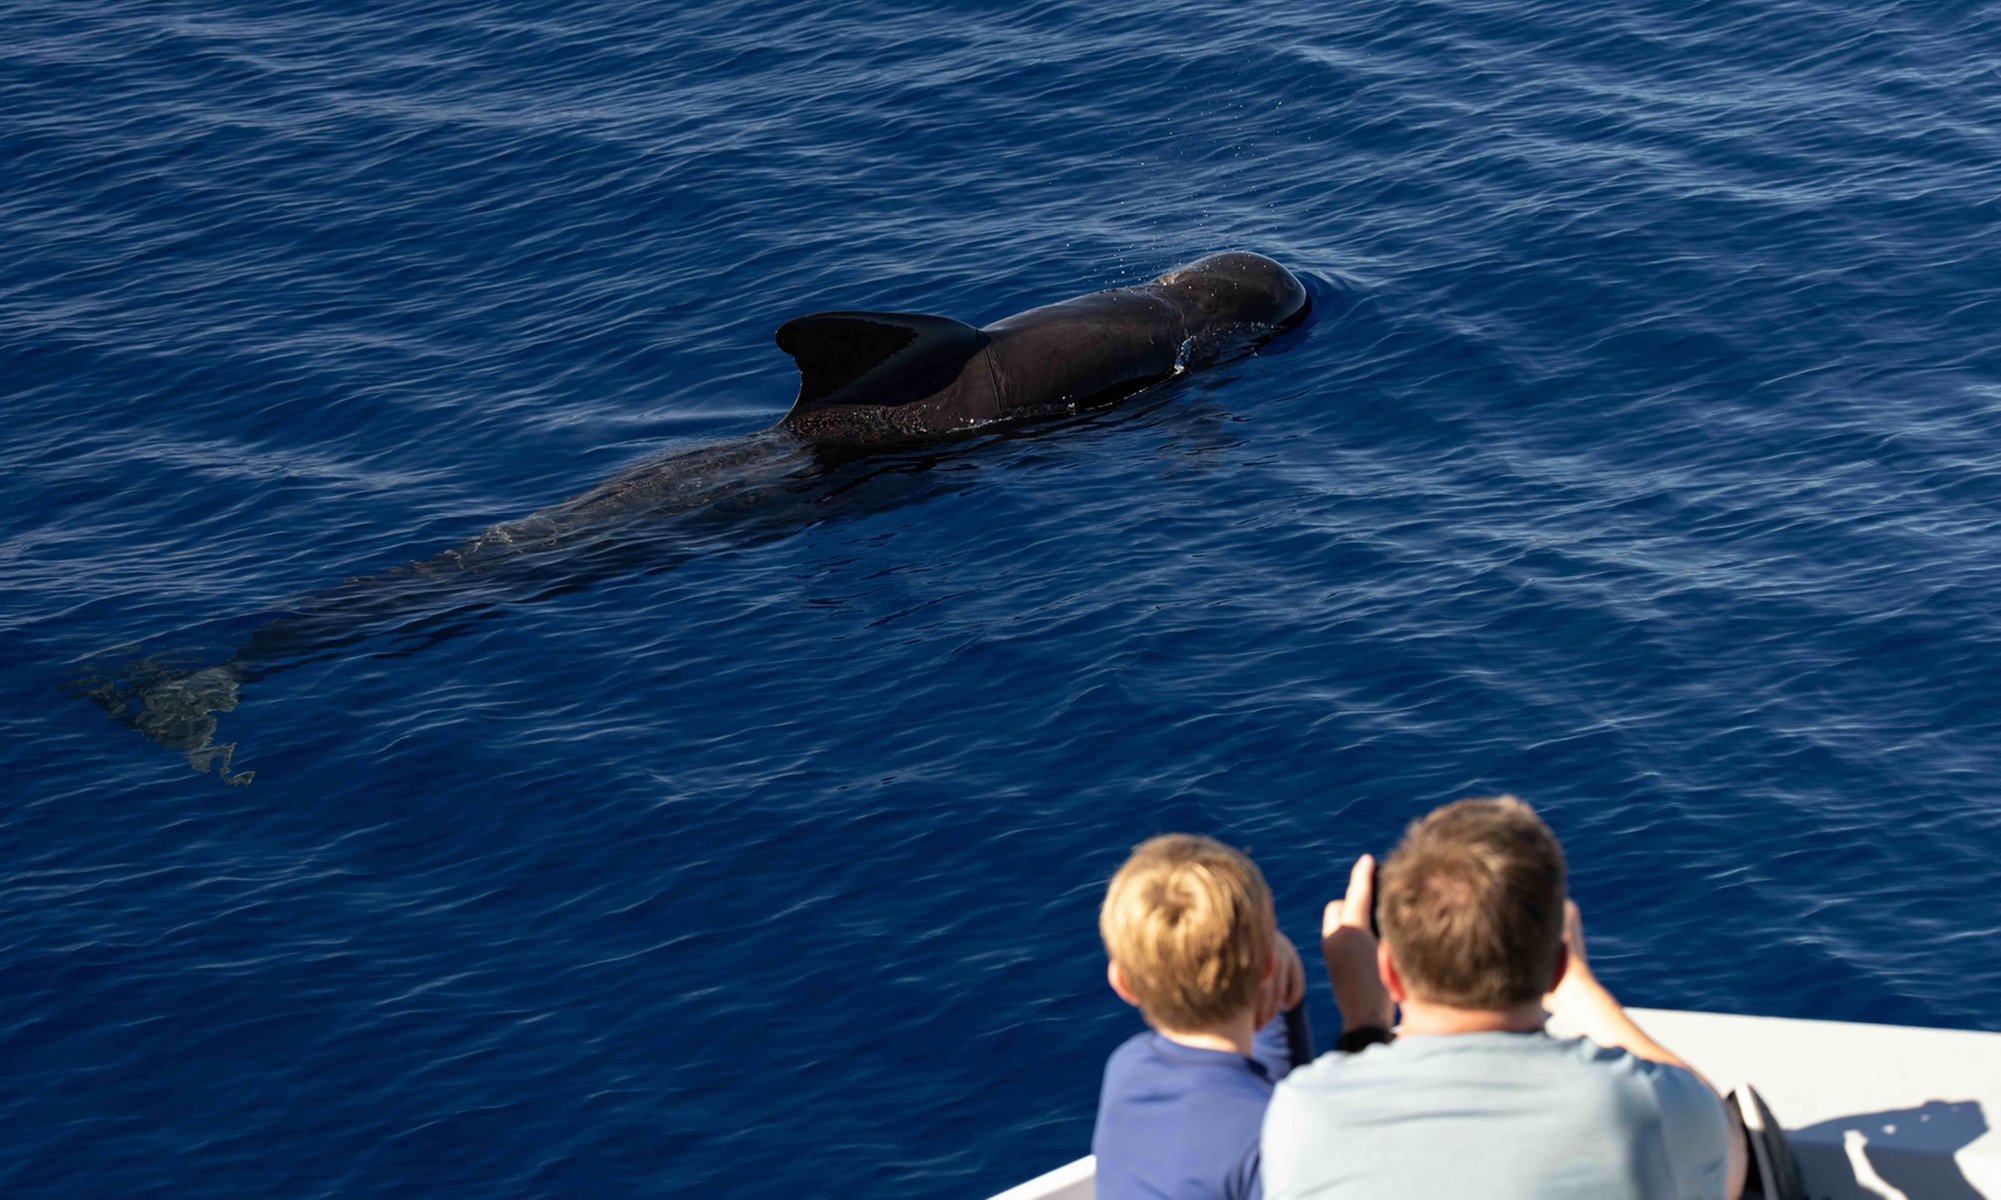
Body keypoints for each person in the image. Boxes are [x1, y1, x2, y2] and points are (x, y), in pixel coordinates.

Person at [1262, 796, 1750, 1200]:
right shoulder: (1635, 1106)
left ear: (1389, 970)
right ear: (1556, 967)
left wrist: (1363, 1021)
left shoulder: (1303, 1115)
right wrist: (1581, 992)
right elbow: (1727, 1152)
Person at [1092, 834, 1308, 1200]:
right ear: (1268, 966)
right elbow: (1269, 1108)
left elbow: (1250, 1097)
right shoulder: (1271, 1138)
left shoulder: (1127, 1070)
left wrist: (1285, 1001)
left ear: (1122, 983)